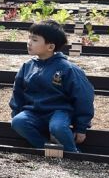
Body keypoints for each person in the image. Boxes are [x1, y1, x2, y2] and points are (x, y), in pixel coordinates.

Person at [9, 19, 95, 153]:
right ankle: (46, 148)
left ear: (50, 47)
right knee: (18, 122)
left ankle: (72, 152)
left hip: (59, 111)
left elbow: (84, 97)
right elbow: (18, 92)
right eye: (29, 38)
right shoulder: (27, 66)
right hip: (34, 112)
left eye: (35, 40)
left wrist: (81, 127)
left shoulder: (67, 69)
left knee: (58, 127)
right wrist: (16, 112)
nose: (29, 42)